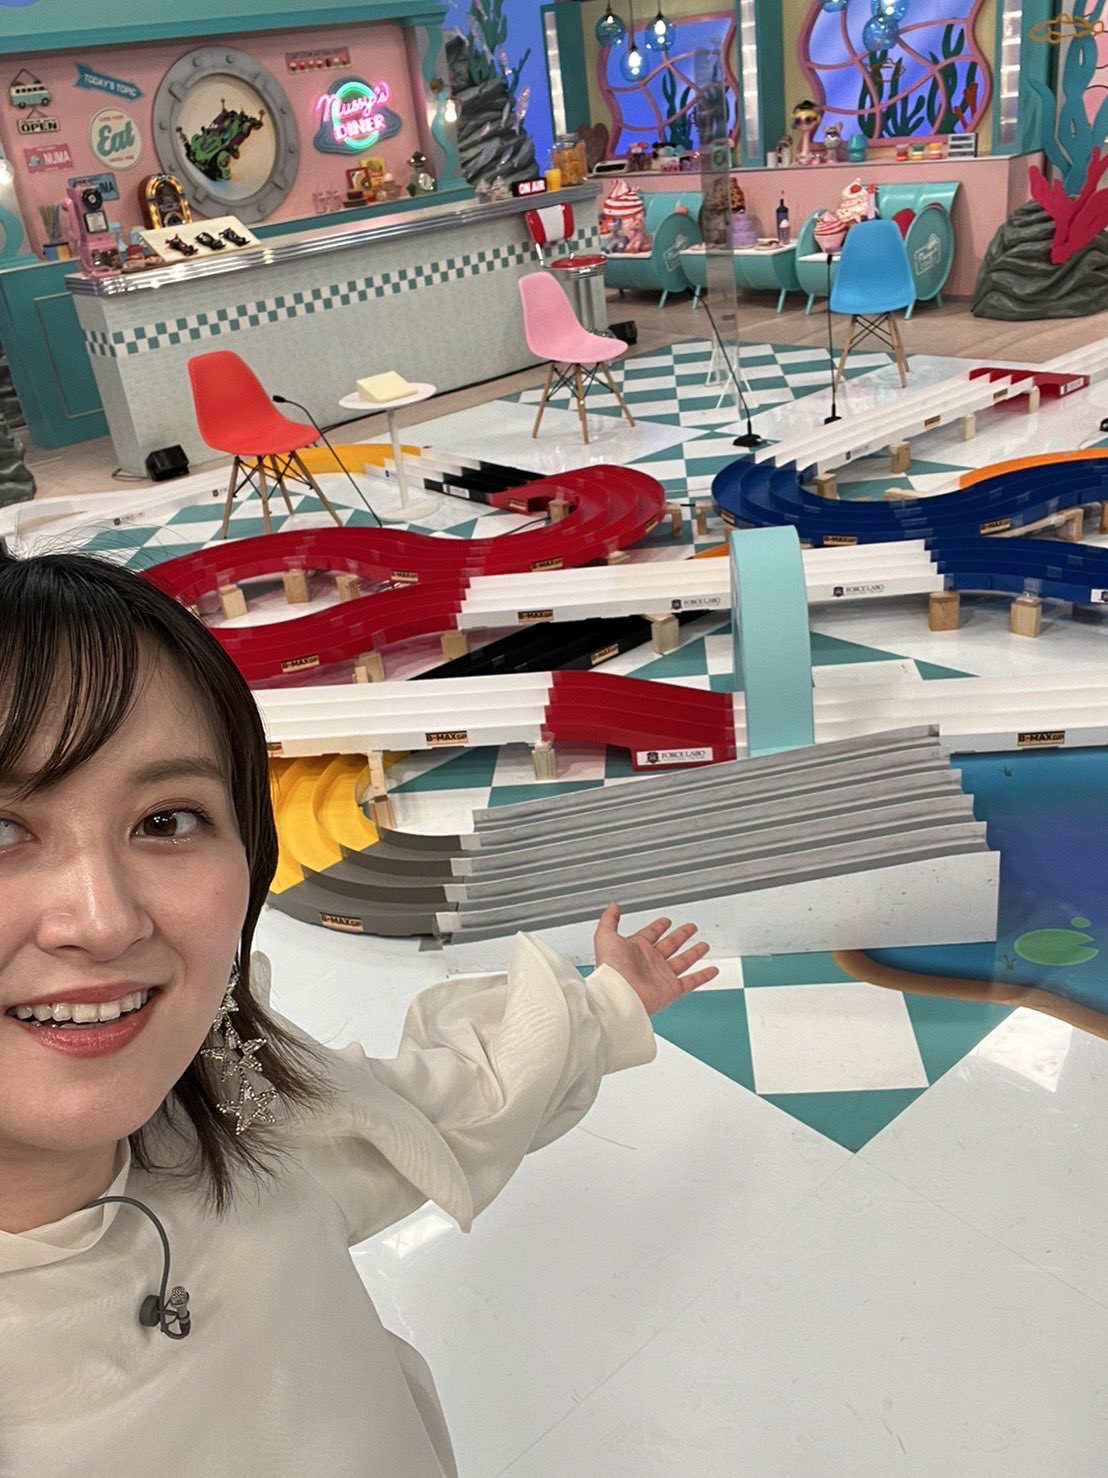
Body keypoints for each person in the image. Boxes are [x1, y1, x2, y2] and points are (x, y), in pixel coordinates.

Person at [0, 551, 718, 1477]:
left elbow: (432, 1114)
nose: (104, 922)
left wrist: (608, 1004)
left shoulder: (231, 1105)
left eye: (167, 820)